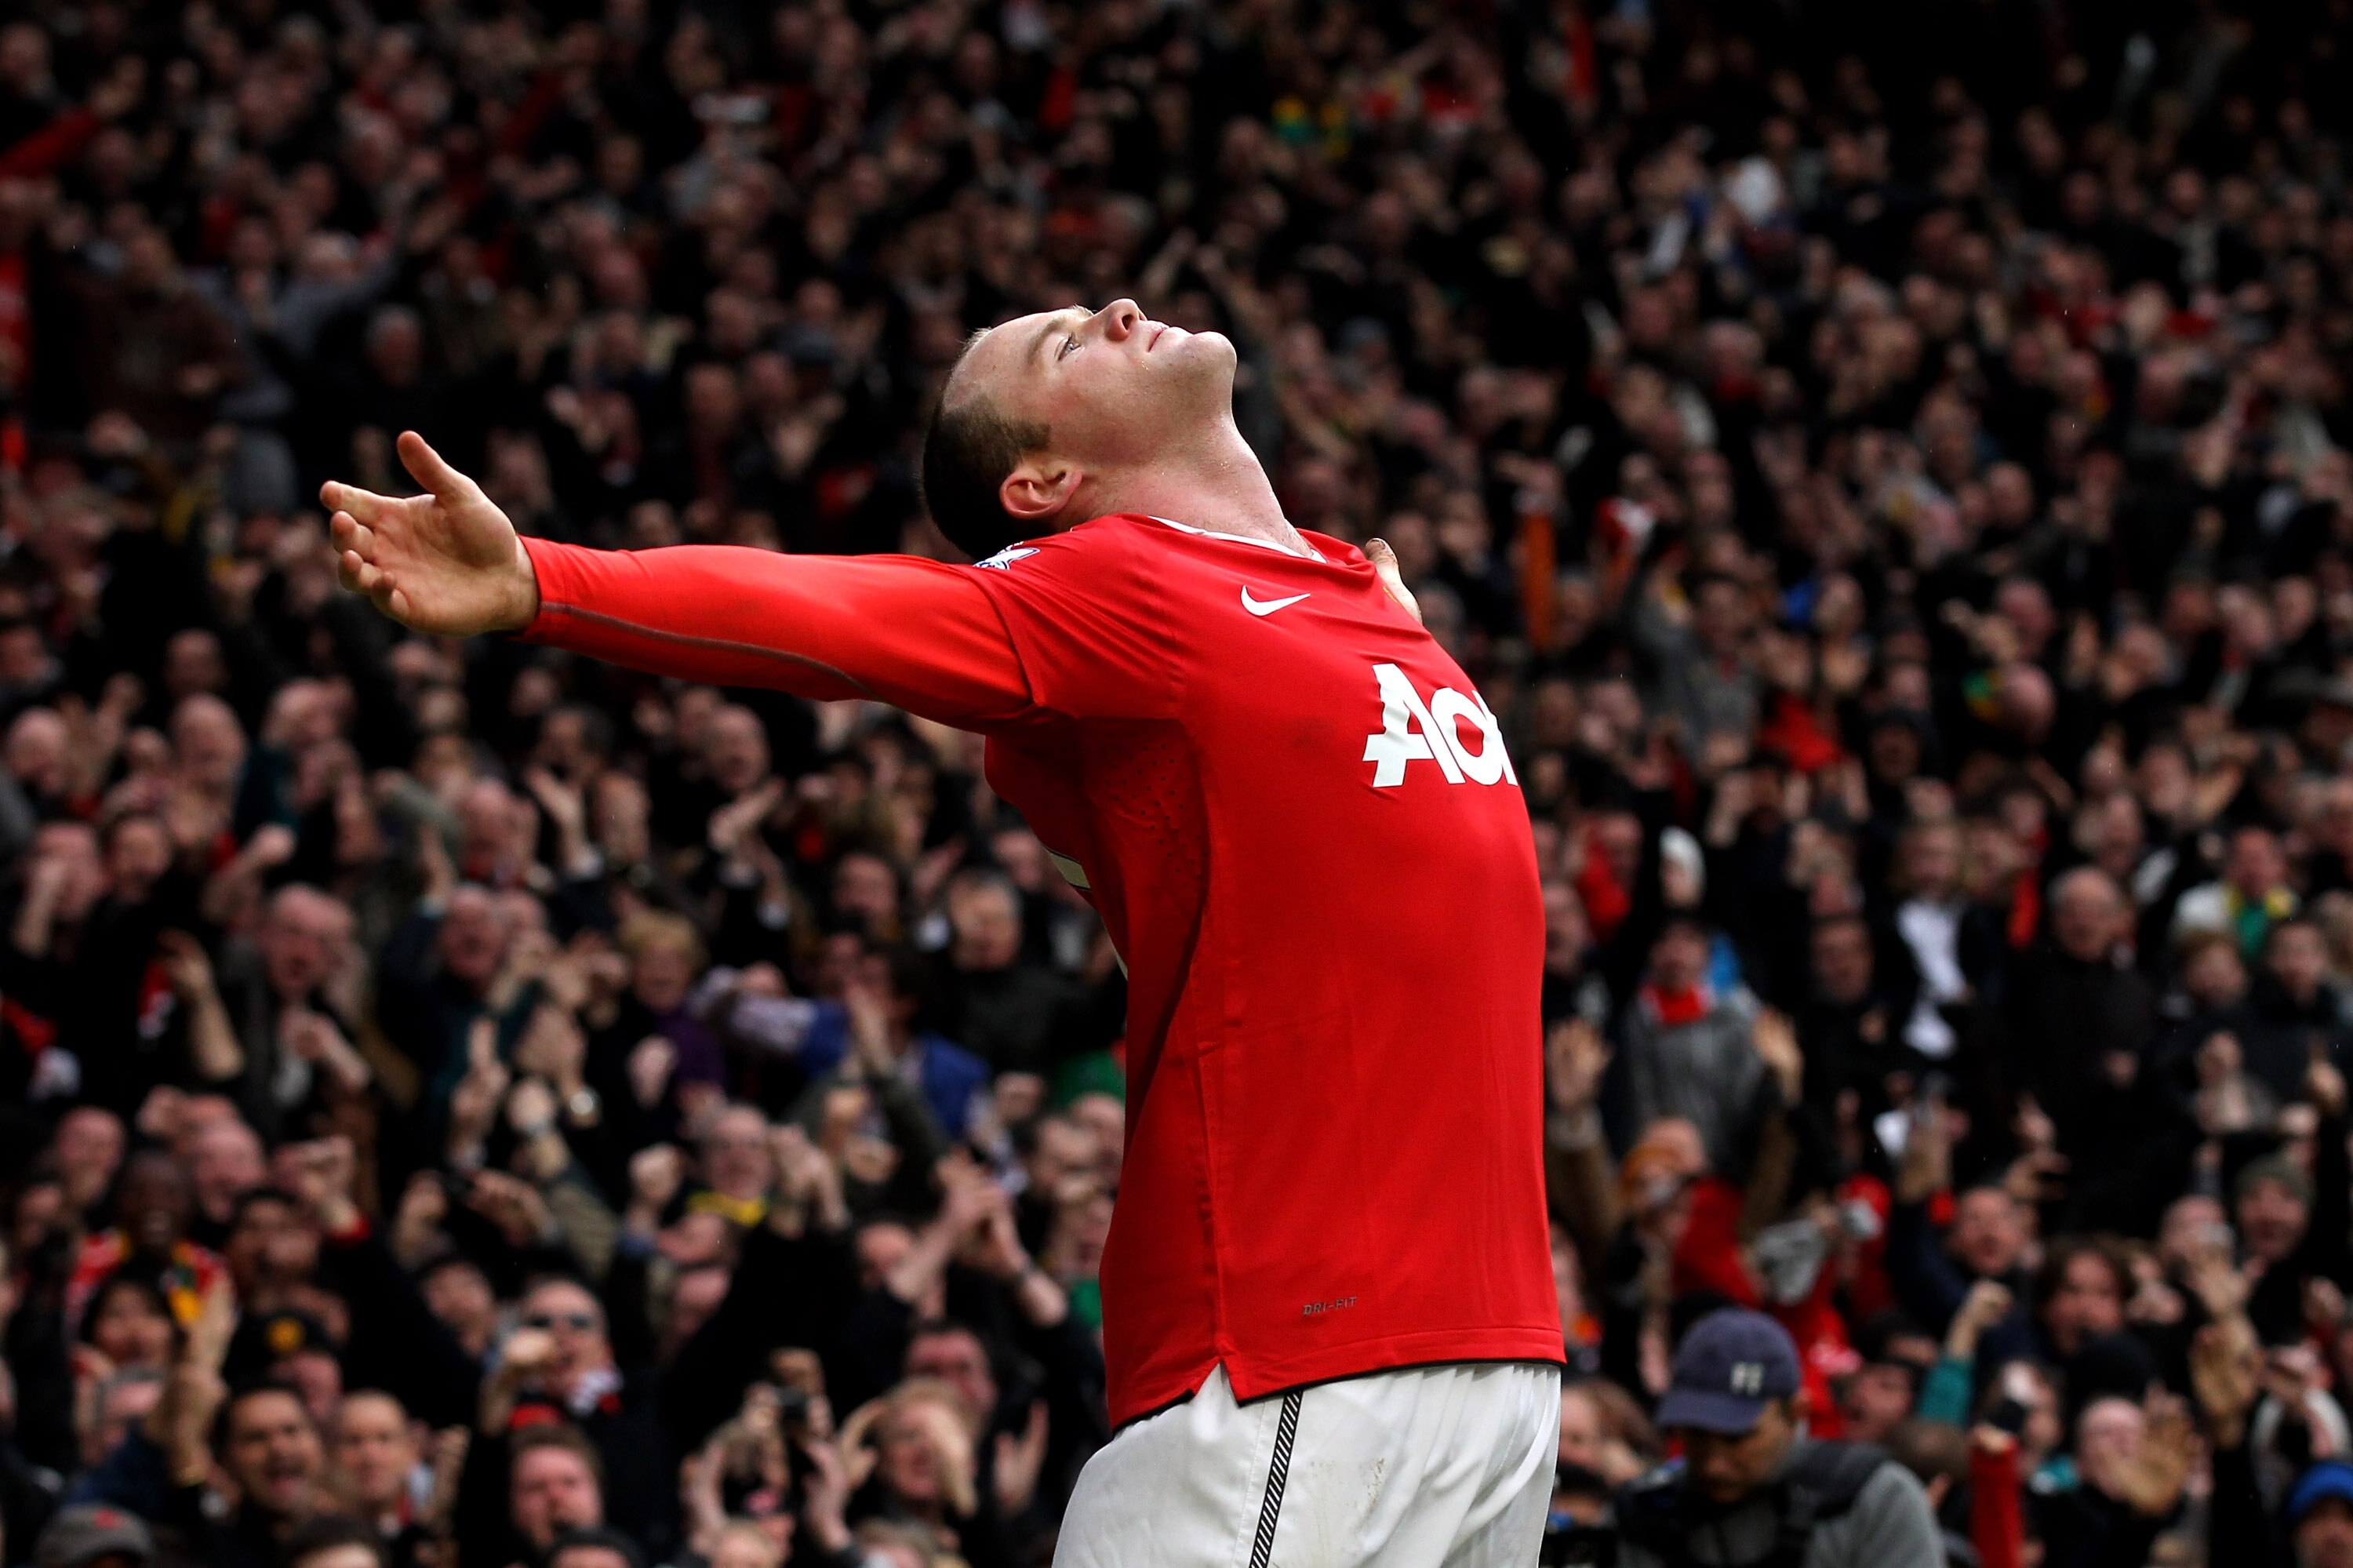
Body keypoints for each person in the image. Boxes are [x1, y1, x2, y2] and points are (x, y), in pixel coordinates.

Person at [321, 296, 1562, 1559]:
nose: (1120, 308)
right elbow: (833, 615)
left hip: (1503, 1363)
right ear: (1044, 481)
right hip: (1296, 1343)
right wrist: (545, 580)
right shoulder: (1119, 585)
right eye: (1065, 343)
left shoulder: (1359, 595)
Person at [1614, 1308, 1943, 1567]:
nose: (1714, 1464)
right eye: (1696, 1435)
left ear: (1795, 1413)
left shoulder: (1875, 1500)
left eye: (1737, 1437)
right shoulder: (1645, 1513)